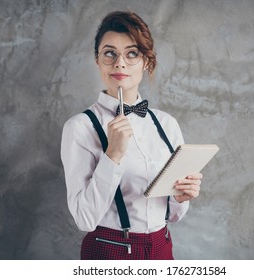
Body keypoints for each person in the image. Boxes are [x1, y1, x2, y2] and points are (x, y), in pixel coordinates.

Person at [60, 11, 202, 260]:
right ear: (97, 60)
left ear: (146, 61)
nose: (120, 63)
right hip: (108, 251)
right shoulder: (79, 128)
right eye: (110, 53)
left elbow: (175, 215)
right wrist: (112, 154)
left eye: (132, 53)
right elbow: (84, 218)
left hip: (161, 248)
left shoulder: (167, 124)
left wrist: (180, 197)